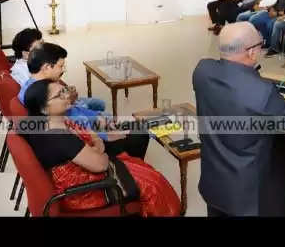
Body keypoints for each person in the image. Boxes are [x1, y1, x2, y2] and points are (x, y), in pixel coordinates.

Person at [192, 22, 285, 216]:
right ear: (252, 52)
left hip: (213, 185)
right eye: (261, 45)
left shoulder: (202, 70)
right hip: (245, 197)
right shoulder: (261, 92)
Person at [21, 79, 181, 217]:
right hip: (83, 193)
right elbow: (101, 164)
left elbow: (93, 139)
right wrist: (99, 149)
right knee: (154, 184)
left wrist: (96, 145)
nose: (66, 95)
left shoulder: (48, 123)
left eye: (64, 90)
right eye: (59, 95)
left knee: (145, 171)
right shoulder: (58, 136)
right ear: (43, 109)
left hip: (82, 173)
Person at [20, 43, 149, 159]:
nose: (63, 70)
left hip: (89, 127)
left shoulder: (44, 86)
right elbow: (73, 126)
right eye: (61, 66)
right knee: (140, 132)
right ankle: (134, 172)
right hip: (90, 143)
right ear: (47, 67)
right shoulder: (39, 94)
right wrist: (105, 135)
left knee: (140, 124)